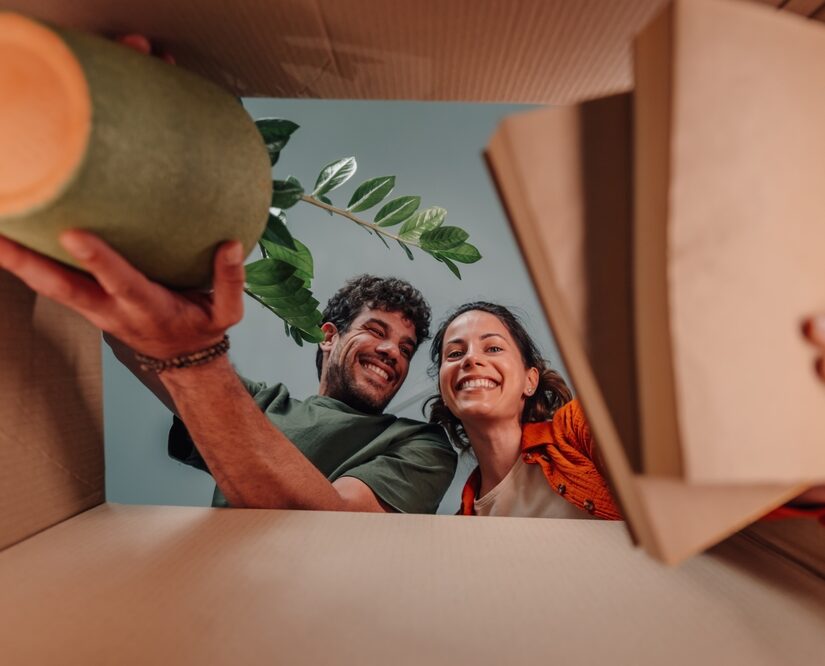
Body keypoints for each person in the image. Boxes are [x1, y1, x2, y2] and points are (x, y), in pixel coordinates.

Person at [0, 231, 456, 513]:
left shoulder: (419, 444)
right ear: (329, 336)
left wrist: (195, 356)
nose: (391, 351)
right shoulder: (258, 405)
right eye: (376, 330)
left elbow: (336, 521)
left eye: (405, 347)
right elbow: (130, 342)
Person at [427, 302, 825, 520]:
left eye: (493, 347)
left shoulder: (575, 428)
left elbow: (681, 469)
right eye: (455, 353)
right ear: (446, 390)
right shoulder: (466, 519)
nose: (470, 360)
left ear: (530, 381)